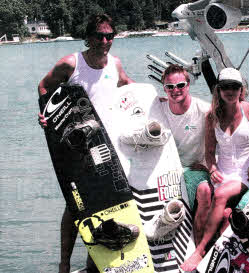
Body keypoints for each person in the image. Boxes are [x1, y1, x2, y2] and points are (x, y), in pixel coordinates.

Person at [37, 14, 133, 273]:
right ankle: (65, 263)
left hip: (108, 145)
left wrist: (156, 99)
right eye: (100, 36)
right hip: (77, 147)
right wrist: (48, 116)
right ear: (89, 37)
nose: (105, 41)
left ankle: (95, 264)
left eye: (110, 36)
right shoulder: (71, 63)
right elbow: (44, 87)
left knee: (106, 202)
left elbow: (128, 87)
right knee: (75, 204)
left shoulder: (115, 64)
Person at [181, 68, 249, 271]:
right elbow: (210, 152)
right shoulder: (212, 116)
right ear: (218, 90)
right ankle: (201, 248)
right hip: (223, 173)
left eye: (234, 87)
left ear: (241, 89)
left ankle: (200, 250)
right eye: (225, 87)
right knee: (210, 198)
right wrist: (211, 169)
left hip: (245, 174)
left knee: (220, 194)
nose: (230, 91)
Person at [159, 64, 211, 211]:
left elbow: (226, 140)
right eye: (170, 87)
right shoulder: (158, 109)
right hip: (169, 169)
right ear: (164, 88)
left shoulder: (205, 110)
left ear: (188, 85)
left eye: (180, 85)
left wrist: (208, 165)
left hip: (196, 169)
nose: (175, 90)